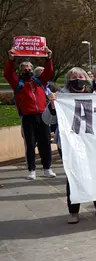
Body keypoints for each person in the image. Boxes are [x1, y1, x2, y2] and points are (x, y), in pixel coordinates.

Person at [49, 67, 96, 224]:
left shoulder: (95, 96)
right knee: (74, 177)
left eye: (80, 76)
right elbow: (47, 121)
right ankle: (73, 211)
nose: (78, 79)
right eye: (74, 76)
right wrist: (52, 105)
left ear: (86, 79)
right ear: (69, 79)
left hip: (91, 143)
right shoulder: (61, 97)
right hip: (69, 144)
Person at [5, 48, 56, 180]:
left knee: (45, 143)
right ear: (20, 72)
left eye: (29, 69)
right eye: (24, 69)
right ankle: (31, 170)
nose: (27, 71)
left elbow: (49, 72)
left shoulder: (39, 81)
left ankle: (47, 168)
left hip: (42, 116)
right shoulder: (18, 83)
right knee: (30, 143)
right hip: (28, 117)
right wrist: (11, 60)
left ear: (33, 70)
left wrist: (48, 58)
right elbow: (8, 74)